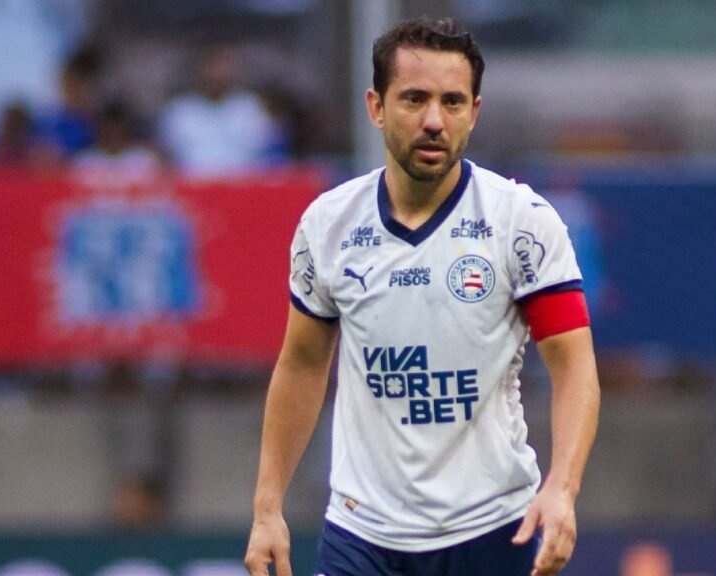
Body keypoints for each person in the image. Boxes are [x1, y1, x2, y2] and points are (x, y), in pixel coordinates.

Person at [244, 16, 600, 576]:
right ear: (376, 107)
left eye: (452, 102)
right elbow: (303, 363)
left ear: (474, 112)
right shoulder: (328, 225)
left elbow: (575, 365)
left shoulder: (521, 222)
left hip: (493, 528)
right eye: (414, 99)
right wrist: (268, 509)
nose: (434, 120)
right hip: (362, 535)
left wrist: (563, 488)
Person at [158, 44, 283, 178]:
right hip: (192, 183)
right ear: (200, 69)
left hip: (243, 184)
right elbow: (165, 158)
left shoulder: (251, 107)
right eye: (213, 66)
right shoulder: (180, 110)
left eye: (224, 66)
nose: (218, 74)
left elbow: (270, 156)